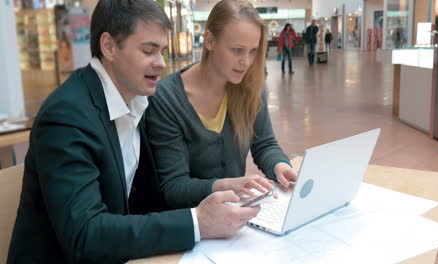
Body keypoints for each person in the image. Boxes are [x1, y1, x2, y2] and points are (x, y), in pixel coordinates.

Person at [7, 1, 260, 263]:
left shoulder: (136, 102)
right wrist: (197, 222)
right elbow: (84, 235)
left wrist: (220, 194)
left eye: (162, 51)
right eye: (148, 51)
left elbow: (150, 195)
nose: (161, 63)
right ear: (109, 47)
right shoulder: (67, 116)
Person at [146, 0, 298, 210]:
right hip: (192, 225)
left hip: (235, 217)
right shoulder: (166, 99)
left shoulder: (251, 88)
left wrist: (280, 166)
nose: (246, 61)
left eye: (253, 51)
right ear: (209, 40)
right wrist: (227, 185)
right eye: (237, 50)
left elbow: (264, 144)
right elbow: (174, 188)